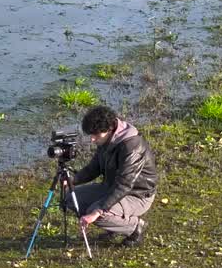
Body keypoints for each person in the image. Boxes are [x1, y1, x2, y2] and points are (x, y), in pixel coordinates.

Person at [68, 105, 158, 247]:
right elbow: (95, 167)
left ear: (109, 129)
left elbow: (124, 185)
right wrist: (72, 180)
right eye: (91, 135)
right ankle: (115, 227)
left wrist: (98, 211)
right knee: (71, 200)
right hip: (111, 187)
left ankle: (135, 227)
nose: (92, 139)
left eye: (95, 135)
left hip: (137, 194)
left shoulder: (132, 147)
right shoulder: (106, 140)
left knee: (97, 214)